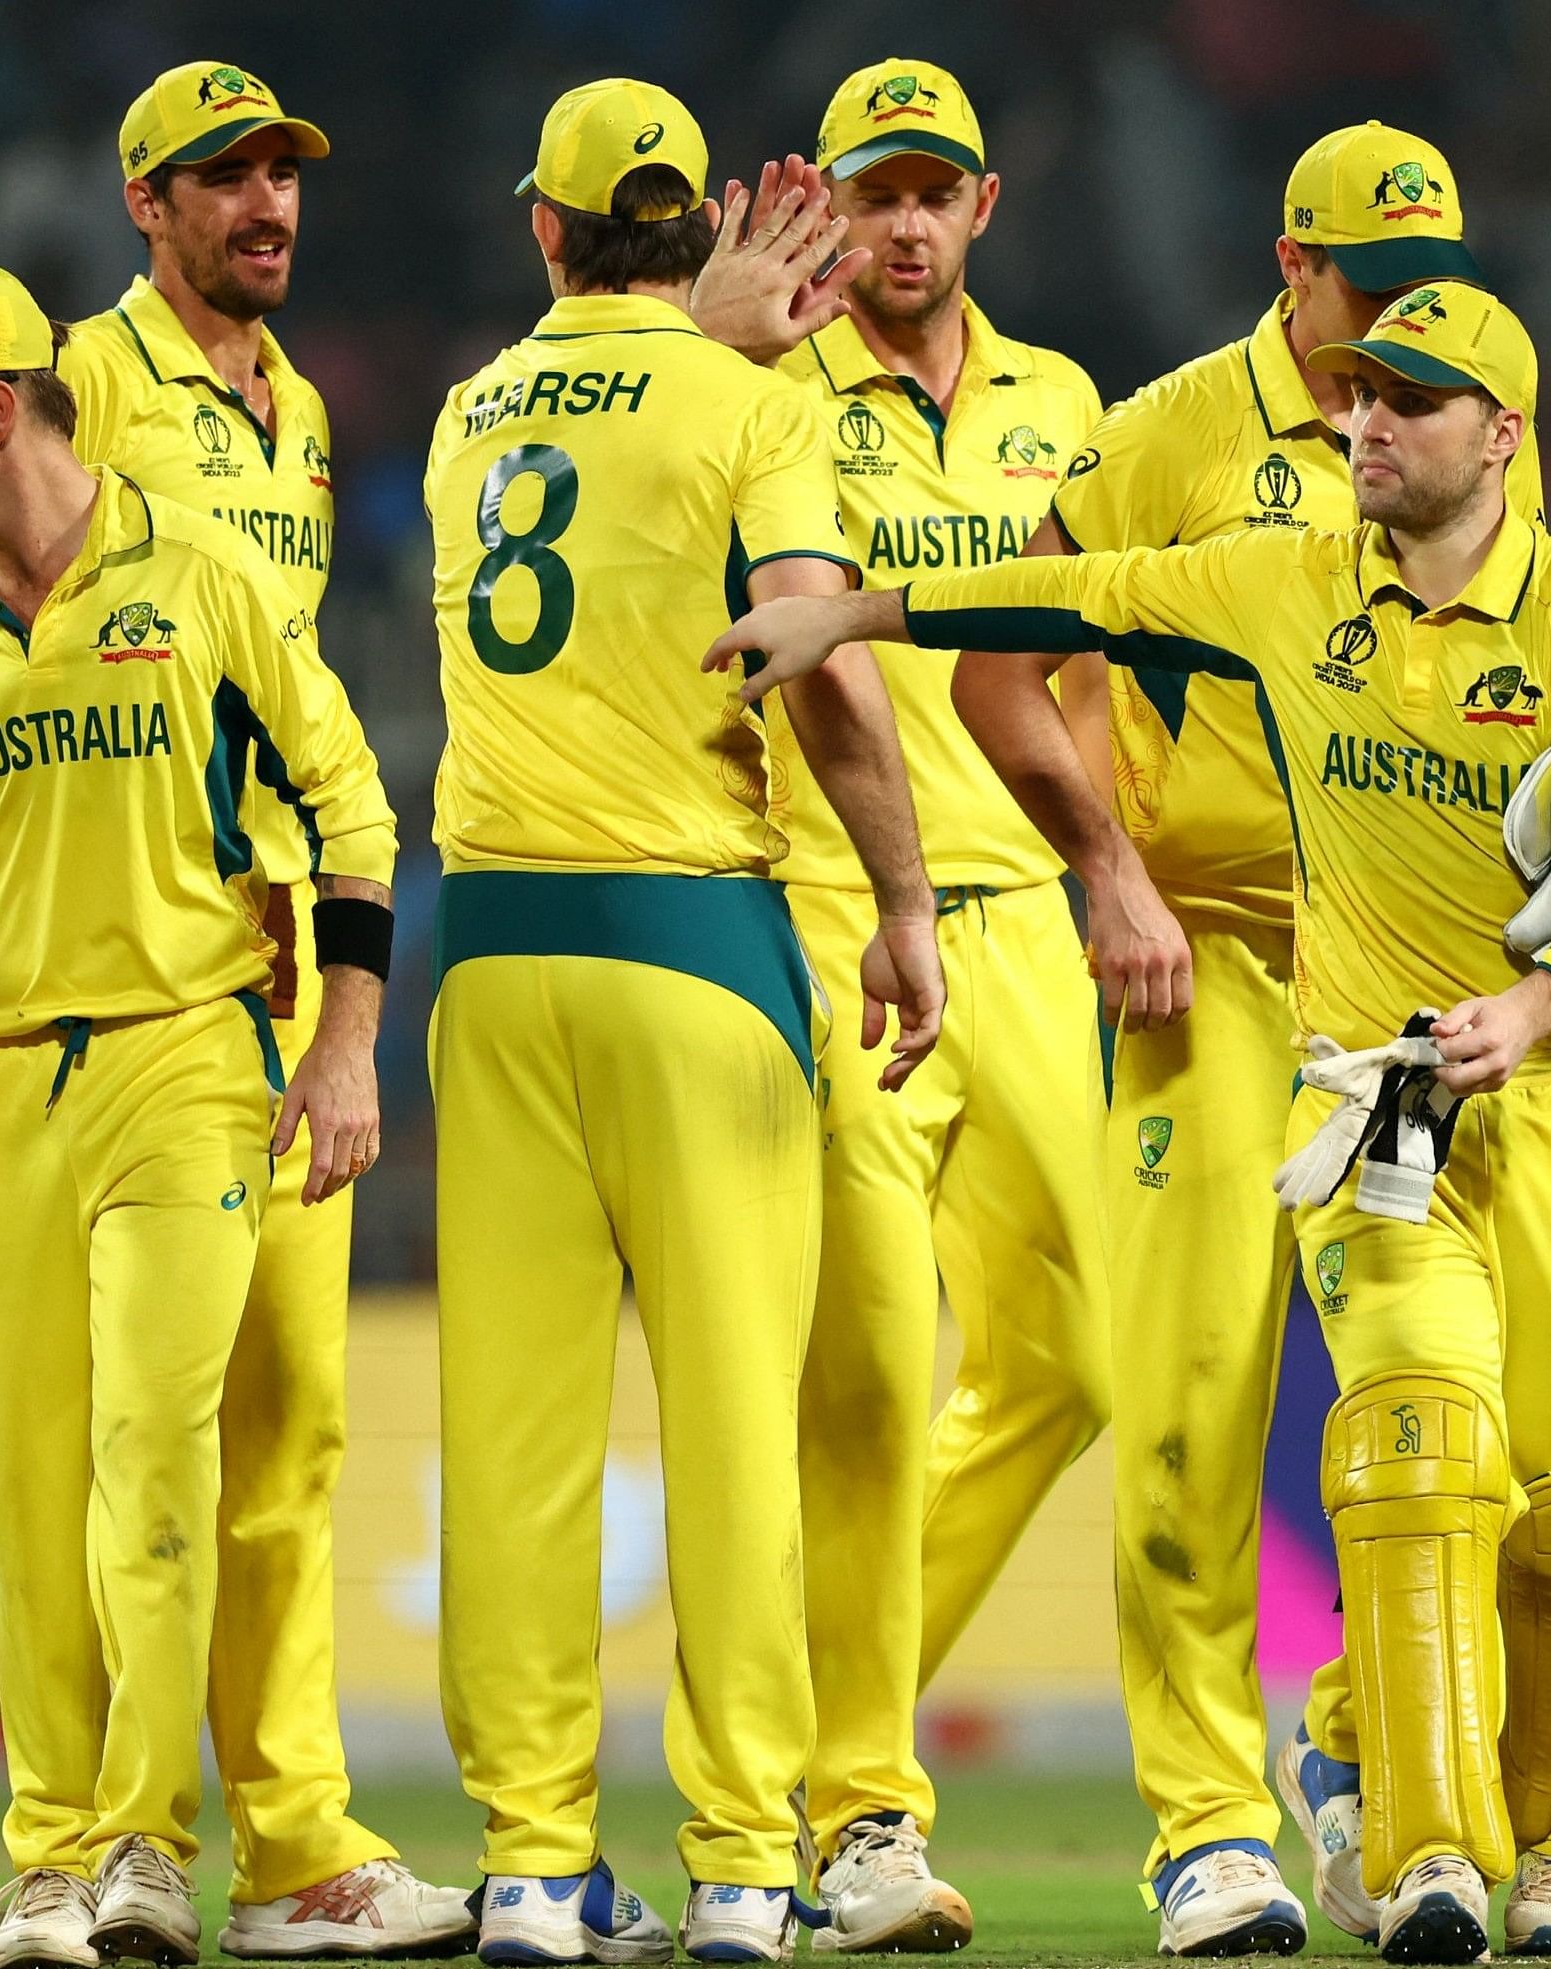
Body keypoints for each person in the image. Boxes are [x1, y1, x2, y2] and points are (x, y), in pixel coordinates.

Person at [712, 280, 1551, 1969]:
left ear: (1504, 435)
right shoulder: (1286, 581)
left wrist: (1543, 1000)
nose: (1364, 418)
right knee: (1408, 1451)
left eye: (1411, 396)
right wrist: (853, 616)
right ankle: (1428, 1854)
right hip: (1367, 1095)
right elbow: (1068, 586)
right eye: (1359, 389)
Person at [0, 65, 476, 1963]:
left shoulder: (301, 407)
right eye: (218, 177)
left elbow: (291, 719)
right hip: (117, 987)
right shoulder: (70, 384)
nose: (265, 201)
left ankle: (266, 1834)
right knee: (72, 1443)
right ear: (142, 206)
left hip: (239, 986)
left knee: (276, 1423)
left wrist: (327, 993)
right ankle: (25, 1817)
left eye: (281, 172)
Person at [1009, 122, 1551, 1955]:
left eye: (1423, 284)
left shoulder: (1478, 407)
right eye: (1360, 287)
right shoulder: (1170, 434)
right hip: (1215, 971)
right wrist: (1107, 868)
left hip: (1400, 995)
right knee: (1185, 1402)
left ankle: (1345, 1754)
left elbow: (1520, 671)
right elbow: (1006, 651)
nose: (1388, 328)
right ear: (1287, 264)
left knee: (1433, 1402)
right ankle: (1205, 1826)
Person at [426, 79, 944, 1969]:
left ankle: (536, 1874)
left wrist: (687, 344)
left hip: (487, 956)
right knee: (735, 1429)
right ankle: (739, 1864)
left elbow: (599, 452)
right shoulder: (760, 404)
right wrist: (898, 903)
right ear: (696, 229)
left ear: (543, 229)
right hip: (695, 940)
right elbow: (812, 658)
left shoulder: (464, 412)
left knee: (519, 1441)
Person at [751, 58, 1108, 1952]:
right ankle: (860, 1804)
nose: (903, 225)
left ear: (985, 206)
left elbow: (1087, 658)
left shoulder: (1066, 407)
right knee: (875, 1380)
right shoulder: (773, 394)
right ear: (836, 204)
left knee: (1082, 1362)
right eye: (874, 192)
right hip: (838, 924)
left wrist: (1113, 862)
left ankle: (823, 1746)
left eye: (933, 192)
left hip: (1036, 927)